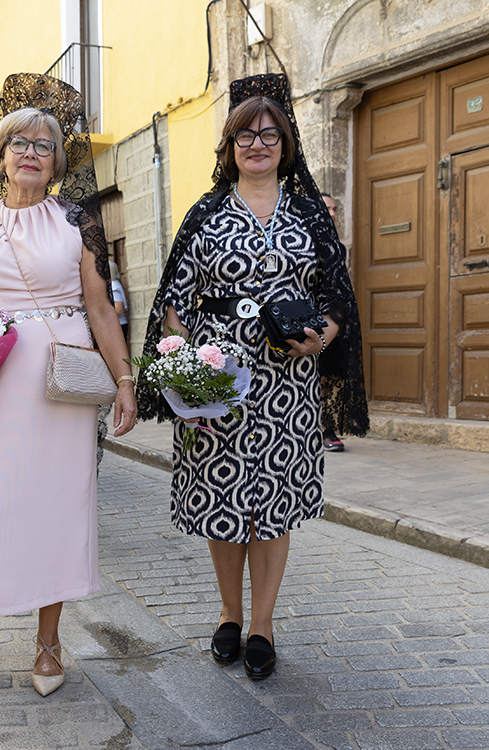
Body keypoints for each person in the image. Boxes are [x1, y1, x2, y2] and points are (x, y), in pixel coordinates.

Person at [136, 74, 368, 681]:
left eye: (269, 134)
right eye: (245, 135)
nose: (257, 144)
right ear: (230, 146)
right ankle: (229, 613)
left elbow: (338, 296)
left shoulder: (311, 214)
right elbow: (176, 300)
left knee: (273, 505)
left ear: (286, 144)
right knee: (223, 499)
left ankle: (263, 623)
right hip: (223, 378)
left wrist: (324, 336)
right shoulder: (207, 213)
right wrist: (187, 370)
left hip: (289, 379)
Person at [0, 74, 137, 701]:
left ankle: (48, 642)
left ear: (55, 163)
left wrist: (126, 381)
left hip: (64, 386)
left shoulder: (75, 225)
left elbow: (101, 310)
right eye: (17, 142)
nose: (30, 151)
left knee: (57, 508)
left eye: (44, 145)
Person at [319, 193, 347, 453]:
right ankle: (317, 429)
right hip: (306, 318)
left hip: (333, 320)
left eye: (335, 209)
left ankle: (328, 428)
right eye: (328, 208)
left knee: (330, 377)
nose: (333, 214)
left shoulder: (338, 247)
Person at [109, 260, 129, 342]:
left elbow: (119, 309)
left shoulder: (113, 287)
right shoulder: (114, 284)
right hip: (118, 325)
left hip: (118, 325)